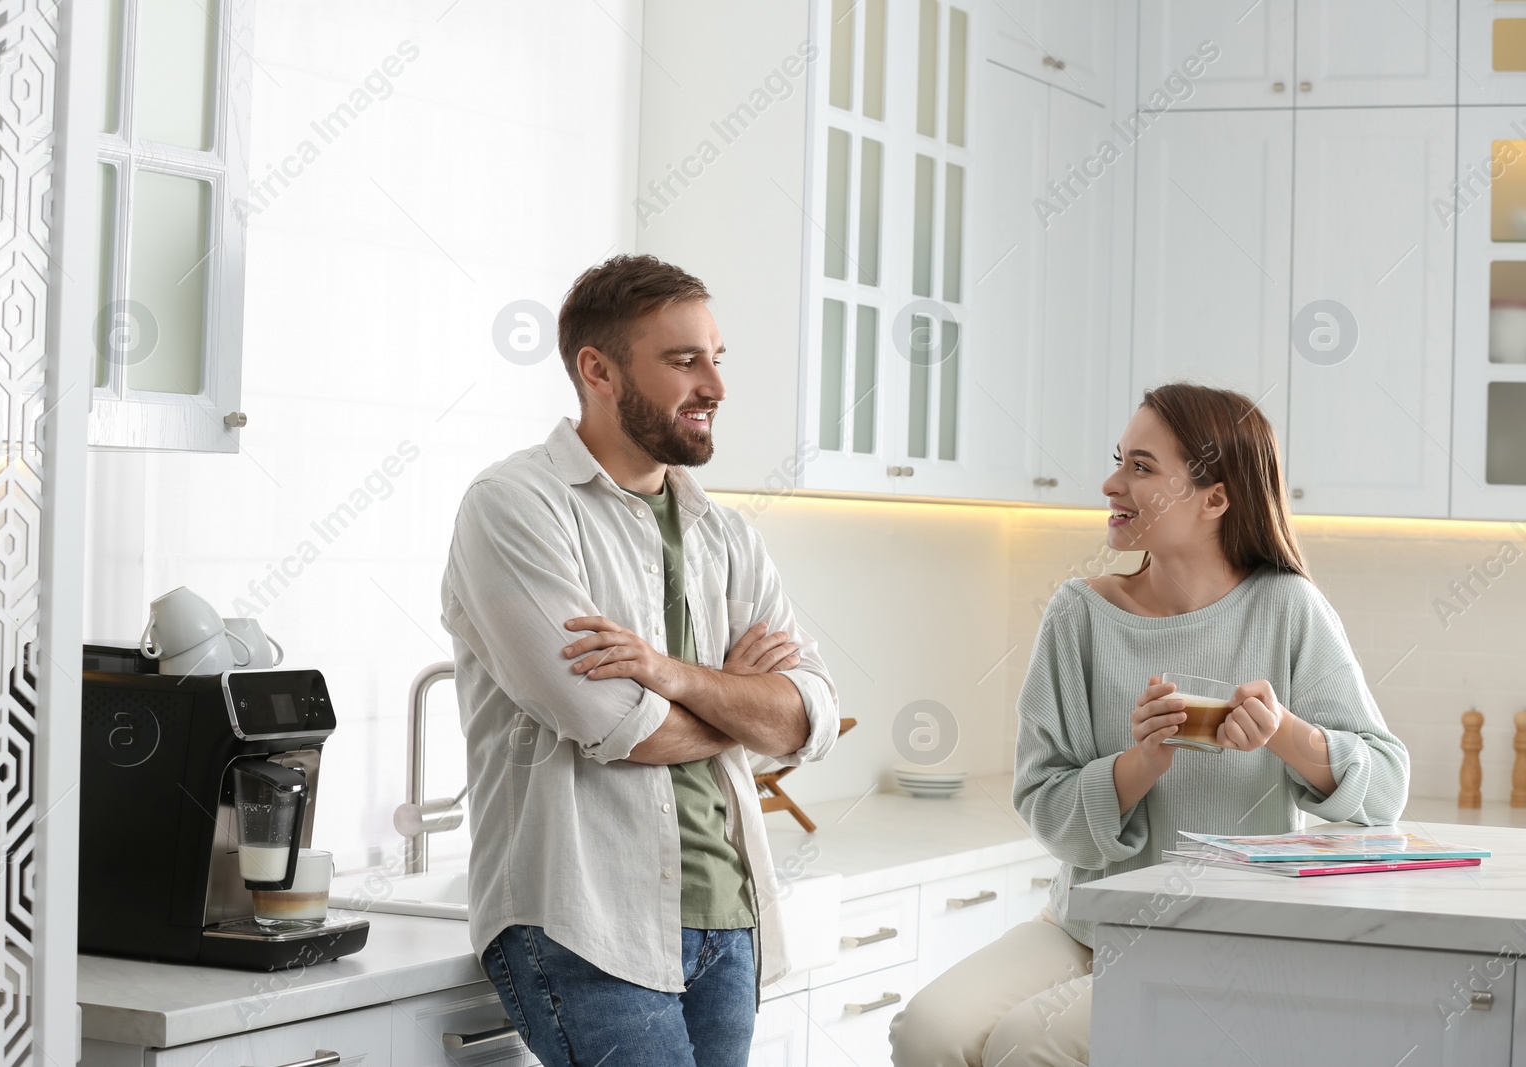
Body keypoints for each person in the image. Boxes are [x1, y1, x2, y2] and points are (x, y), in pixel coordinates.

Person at [889, 382, 1409, 1067]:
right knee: (927, 1032)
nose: (1111, 482)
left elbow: (1386, 790)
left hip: (1225, 937)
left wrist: (1283, 730)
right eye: (1118, 460)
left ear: (1215, 498)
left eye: (1141, 466)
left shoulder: (1288, 609)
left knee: (1029, 1046)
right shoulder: (1078, 615)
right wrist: (1139, 764)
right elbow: (1042, 797)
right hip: (1085, 922)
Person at [441, 254, 840, 1067]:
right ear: (597, 369)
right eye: (683, 359)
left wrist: (671, 672)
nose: (715, 386)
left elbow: (810, 716)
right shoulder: (516, 507)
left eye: (716, 358)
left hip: (728, 916)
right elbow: (617, 725)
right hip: (586, 922)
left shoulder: (726, 533)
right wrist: (738, 700)